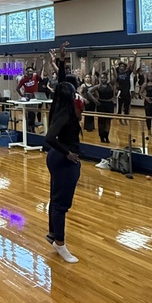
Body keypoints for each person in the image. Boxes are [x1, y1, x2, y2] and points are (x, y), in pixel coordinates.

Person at [44, 81, 82, 263]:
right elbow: (50, 137)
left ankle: (53, 233)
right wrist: (68, 153)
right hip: (63, 159)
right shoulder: (65, 113)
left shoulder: (58, 107)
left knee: (55, 199)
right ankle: (60, 242)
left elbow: (61, 86)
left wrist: (59, 62)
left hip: (56, 157)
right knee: (61, 203)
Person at [89, 71, 115, 144]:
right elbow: (89, 91)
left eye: (104, 78)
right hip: (101, 104)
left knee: (108, 121)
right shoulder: (98, 86)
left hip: (109, 104)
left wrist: (113, 69)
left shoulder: (110, 85)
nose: (102, 79)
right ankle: (101, 136)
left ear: (107, 79)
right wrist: (94, 100)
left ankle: (106, 136)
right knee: (101, 121)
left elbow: (115, 77)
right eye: (101, 78)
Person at [114, 51, 138, 121]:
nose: (122, 67)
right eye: (120, 66)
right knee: (119, 107)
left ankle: (125, 119)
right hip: (120, 92)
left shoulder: (127, 72)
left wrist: (135, 56)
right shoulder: (117, 74)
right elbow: (115, 82)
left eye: (123, 66)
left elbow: (132, 65)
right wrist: (115, 91)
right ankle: (120, 119)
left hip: (127, 91)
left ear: (125, 67)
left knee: (127, 106)